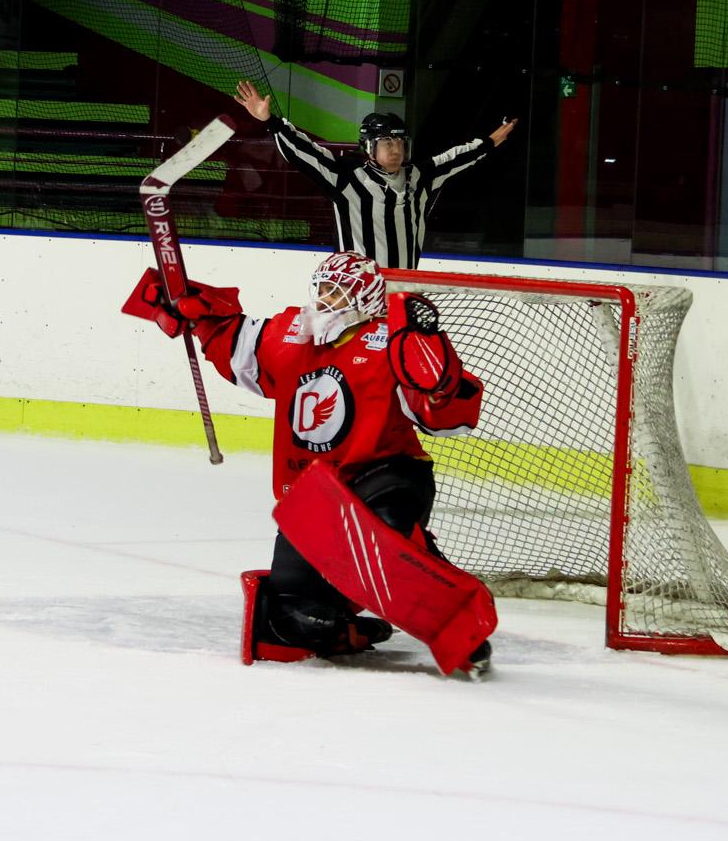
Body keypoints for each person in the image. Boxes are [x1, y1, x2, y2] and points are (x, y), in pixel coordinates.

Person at [123, 250, 495, 677]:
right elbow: (236, 342)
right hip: (314, 497)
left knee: (384, 541)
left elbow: (445, 419)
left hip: (384, 475)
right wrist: (193, 311)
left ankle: (456, 618)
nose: (324, 301)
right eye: (321, 290)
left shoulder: (391, 342)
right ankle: (344, 631)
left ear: (365, 299)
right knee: (288, 621)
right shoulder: (290, 332)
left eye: (336, 293)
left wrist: (437, 376)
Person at [232, 79, 517, 270]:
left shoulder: (420, 176)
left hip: (402, 294)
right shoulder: (347, 178)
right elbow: (304, 151)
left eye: (400, 143)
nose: (396, 150)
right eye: (387, 143)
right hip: (356, 295)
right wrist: (271, 122)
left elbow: (457, 157)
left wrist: (490, 142)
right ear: (369, 147)